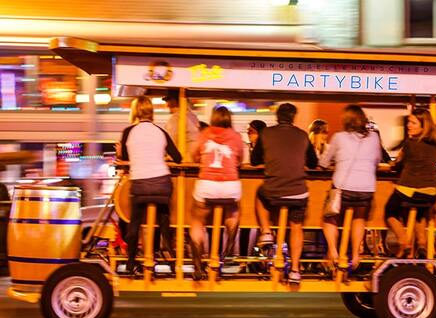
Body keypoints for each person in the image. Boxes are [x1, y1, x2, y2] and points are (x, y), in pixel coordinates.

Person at [250, 103, 318, 283]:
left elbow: (254, 160)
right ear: (293, 117)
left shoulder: (266, 134)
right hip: (298, 193)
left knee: (259, 191)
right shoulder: (303, 135)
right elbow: (313, 163)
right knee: (296, 226)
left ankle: (266, 231)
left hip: (273, 191)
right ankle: (295, 270)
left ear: (277, 117)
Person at [119, 96, 182, 274]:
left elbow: (124, 158)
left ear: (135, 111)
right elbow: (178, 157)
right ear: (151, 111)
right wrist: (163, 157)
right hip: (162, 183)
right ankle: (168, 247)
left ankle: (131, 261)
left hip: (139, 183)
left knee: (135, 222)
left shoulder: (128, 131)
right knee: (163, 213)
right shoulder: (160, 131)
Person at [319, 105, 381, 270]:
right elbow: (377, 160)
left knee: (329, 217)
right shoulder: (374, 137)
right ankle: (355, 255)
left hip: (343, 188)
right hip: (367, 189)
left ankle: (333, 251)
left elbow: (323, 163)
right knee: (359, 218)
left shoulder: (339, 137)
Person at [189, 106, 244, 280]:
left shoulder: (204, 134)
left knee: (197, 221)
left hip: (207, 185)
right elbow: (240, 160)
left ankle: (198, 264)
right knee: (233, 212)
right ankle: (227, 248)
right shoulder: (236, 137)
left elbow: (193, 155)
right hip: (230, 185)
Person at [385, 108, 436, 259]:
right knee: (419, 212)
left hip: (409, 189)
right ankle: (421, 243)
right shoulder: (435, 145)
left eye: (413, 123)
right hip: (430, 193)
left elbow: (398, 166)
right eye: (408, 122)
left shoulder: (410, 144)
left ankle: (404, 241)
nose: (409, 125)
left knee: (390, 211)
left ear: (423, 126)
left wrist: (394, 163)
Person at [162, 89, 200, 162]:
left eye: (167, 101)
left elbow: (170, 143)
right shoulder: (193, 116)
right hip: (193, 159)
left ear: (174, 101)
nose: (167, 105)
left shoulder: (175, 119)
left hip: (184, 160)